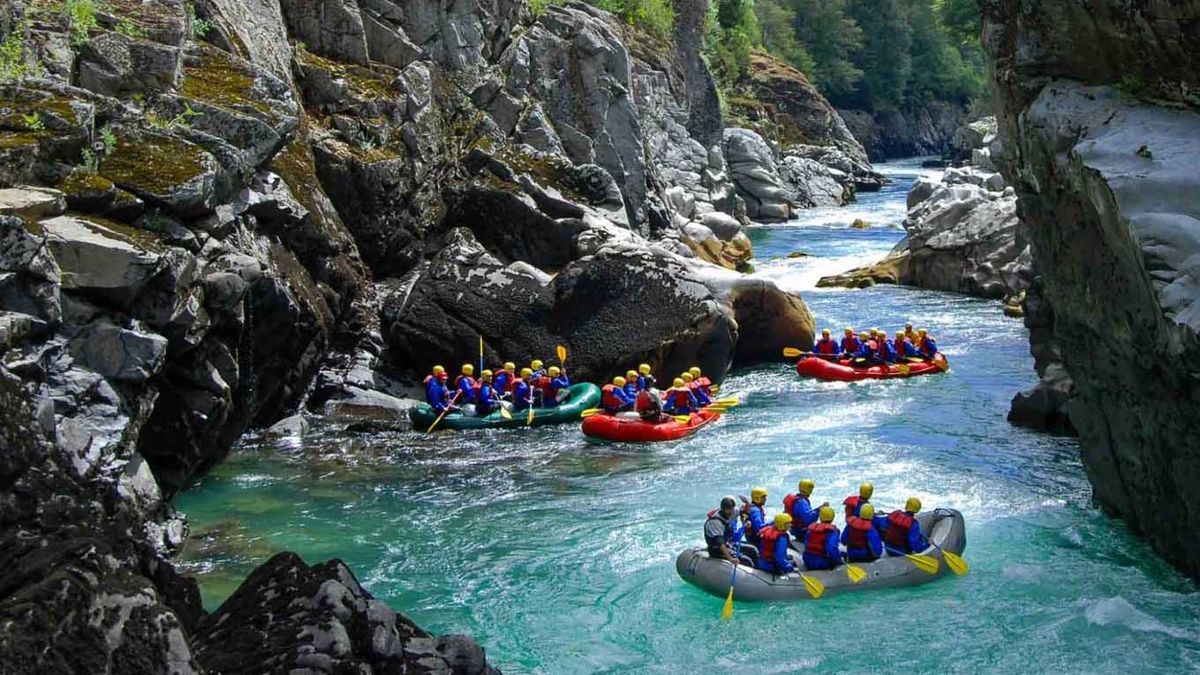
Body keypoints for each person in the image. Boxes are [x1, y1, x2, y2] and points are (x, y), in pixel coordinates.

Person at [705, 496, 752, 565]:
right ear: (723, 509)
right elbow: (720, 543)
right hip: (717, 549)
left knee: (753, 550)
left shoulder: (733, 511)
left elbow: (743, 513)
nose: (731, 511)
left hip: (729, 544)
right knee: (746, 561)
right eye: (728, 509)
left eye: (732, 508)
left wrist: (747, 521)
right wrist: (731, 559)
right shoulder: (715, 522)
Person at [802, 506, 841, 570]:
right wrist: (838, 560)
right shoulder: (832, 531)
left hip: (807, 560)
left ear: (820, 517)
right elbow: (832, 549)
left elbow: (806, 543)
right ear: (832, 517)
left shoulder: (811, 529)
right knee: (841, 556)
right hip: (821, 562)